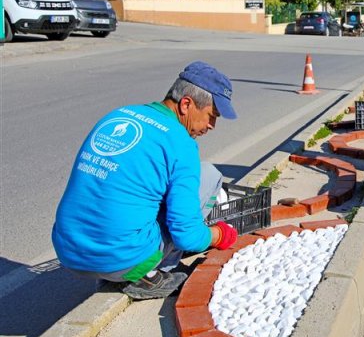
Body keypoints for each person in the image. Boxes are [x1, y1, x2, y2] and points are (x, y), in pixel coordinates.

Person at [52, 61, 240, 300]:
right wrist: (220, 235)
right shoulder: (181, 144)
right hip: (122, 260)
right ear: (186, 104)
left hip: (68, 251)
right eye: (211, 116)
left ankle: (118, 261)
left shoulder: (118, 115)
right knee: (210, 174)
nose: (211, 126)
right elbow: (187, 236)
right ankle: (151, 273)